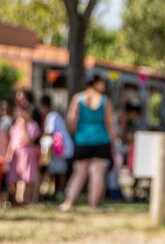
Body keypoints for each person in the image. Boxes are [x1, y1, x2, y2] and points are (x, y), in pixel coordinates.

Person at [59, 75, 116, 212]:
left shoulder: (78, 98)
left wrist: (77, 132)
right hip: (101, 139)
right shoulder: (104, 100)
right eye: (102, 83)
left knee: (79, 173)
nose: (104, 86)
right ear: (95, 83)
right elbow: (109, 124)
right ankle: (93, 204)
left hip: (82, 139)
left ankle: (68, 202)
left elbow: (71, 119)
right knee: (97, 173)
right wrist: (113, 141)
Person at [6, 102, 41, 205]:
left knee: (26, 179)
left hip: (26, 154)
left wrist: (23, 127)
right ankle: (16, 199)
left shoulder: (32, 125)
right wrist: (8, 153)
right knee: (15, 178)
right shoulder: (14, 126)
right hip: (16, 155)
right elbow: (11, 141)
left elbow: (28, 140)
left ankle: (24, 199)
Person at [39, 94, 73, 201]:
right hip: (58, 150)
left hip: (59, 150)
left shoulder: (52, 116)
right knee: (57, 172)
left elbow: (49, 132)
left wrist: (39, 138)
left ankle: (59, 193)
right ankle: (56, 193)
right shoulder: (55, 115)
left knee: (58, 172)